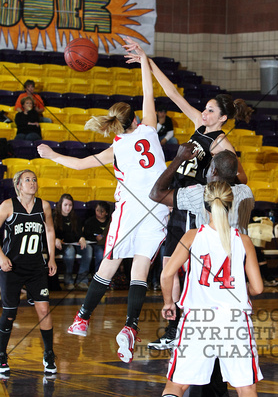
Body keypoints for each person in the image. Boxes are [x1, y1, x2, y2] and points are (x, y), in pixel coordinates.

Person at [37, 37, 169, 363]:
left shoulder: (115, 149)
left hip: (130, 210)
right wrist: (144, 61)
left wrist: (52, 154)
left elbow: (79, 164)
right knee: (140, 271)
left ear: (115, 127)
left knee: (108, 265)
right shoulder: (150, 129)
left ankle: (82, 318)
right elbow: (149, 93)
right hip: (159, 211)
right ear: (136, 120)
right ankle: (131, 326)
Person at [125, 40, 252, 349]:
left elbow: (241, 177)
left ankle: (185, 327)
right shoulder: (198, 124)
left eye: (210, 110)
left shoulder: (222, 144)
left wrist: (219, 184)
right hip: (177, 196)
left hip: (194, 202)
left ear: (221, 118)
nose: (204, 112)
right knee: (170, 263)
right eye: (205, 109)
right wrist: (146, 60)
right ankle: (174, 327)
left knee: (181, 265)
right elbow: (171, 93)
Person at [149, 146, 254, 397]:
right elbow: (239, 176)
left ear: (214, 173)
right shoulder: (246, 193)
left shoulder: (198, 197)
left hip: (202, 297)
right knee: (238, 378)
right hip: (233, 287)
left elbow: (156, 194)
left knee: (185, 376)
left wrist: (180, 159)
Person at [0, 169, 57, 377]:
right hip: (12, 267)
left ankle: (49, 354)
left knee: (44, 310)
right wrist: (1, 257)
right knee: (9, 313)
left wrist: (50, 257)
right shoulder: (7, 206)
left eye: (34, 179)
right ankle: (1, 355)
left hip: (35, 267)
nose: (32, 183)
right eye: (27, 180)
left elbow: (50, 230)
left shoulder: (44, 206)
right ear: (18, 185)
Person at [53, 194, 93, 291]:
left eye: (70, 205)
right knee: (70, 251)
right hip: (60, 246)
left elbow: (78, 233)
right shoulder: (54, 217)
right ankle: (68, 280)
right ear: (60, 205)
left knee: (88, 249)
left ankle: (82, 280)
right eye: (65, 205)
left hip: (73, 244)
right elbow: (51, 232)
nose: (68, 208)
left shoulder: (75, 218)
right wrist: (55, 239)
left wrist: (81, 238)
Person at [83, 201, 111, 271]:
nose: (99, 213)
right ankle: (98, 274)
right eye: (97, 210)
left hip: (108, 244)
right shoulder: (90, 222)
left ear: (106, 213)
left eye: (102, 211)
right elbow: (86, 235)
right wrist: (95, 238)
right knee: (100, 252)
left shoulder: (110, 222)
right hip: (94, 244)